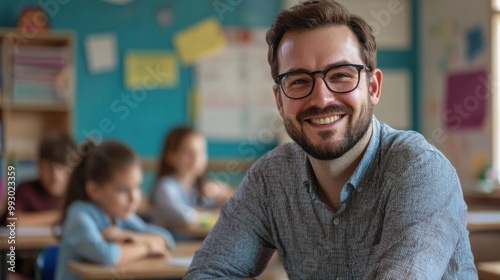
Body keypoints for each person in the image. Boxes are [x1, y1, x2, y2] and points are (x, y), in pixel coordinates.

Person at [185, 1, 477, 279]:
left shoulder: (420, 170)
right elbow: (205, 274)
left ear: (372, 87)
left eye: (340, 75)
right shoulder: (269, 178)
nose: (321, 98)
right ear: (279, 100)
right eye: (298, 80)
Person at [55, 140, 175, 280]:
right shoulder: (79, 215)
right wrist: (148, 247)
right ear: (94, 190)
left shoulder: (122, 215)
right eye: (123, 190)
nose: (133, 197)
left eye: (137, 187)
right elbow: (107, 255)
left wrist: (131, 237)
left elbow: (167, 240)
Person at [149, 126, 233, 239]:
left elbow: (236, 207)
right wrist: (213, 215)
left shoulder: (199, 189)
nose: (196, 158)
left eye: (201, 152)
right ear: (171, 156)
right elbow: (183, 217)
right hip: (173, 249)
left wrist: (223, 193)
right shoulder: (166, 186)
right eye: (188, 152)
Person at [1, 131, 76, 226]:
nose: (56, 177)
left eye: (63, 168)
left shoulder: (78, 192)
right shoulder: (25, 190)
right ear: (39, 166)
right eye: (49, 168)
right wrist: (60, 216)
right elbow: (13, 220)